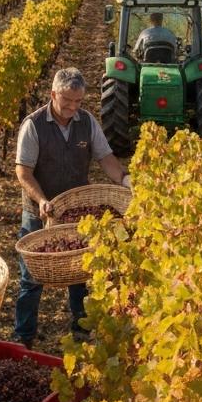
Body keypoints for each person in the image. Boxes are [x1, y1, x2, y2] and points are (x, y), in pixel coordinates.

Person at [14, 67, 130, 348]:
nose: (73, 107)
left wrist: (126, 180)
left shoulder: (87, 122)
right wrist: (42, 200)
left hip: (77, 211)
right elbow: (23, 172)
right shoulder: (34, 125)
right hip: (41, 212)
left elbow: (106, 158)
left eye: (78, 101)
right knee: (31, 277)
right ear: (53, 94)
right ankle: (24, 335)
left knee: (80, 272)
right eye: (67, 101)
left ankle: (80, 327)